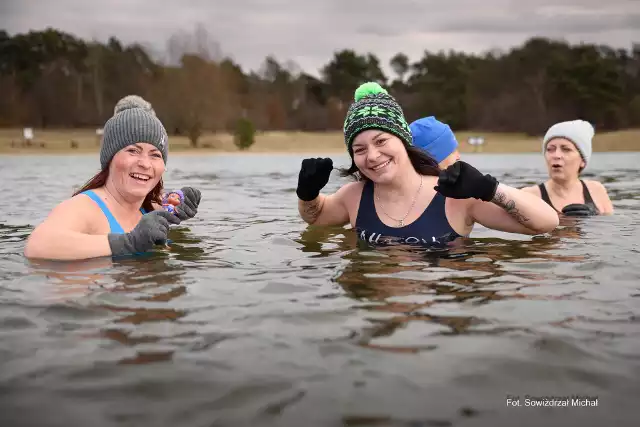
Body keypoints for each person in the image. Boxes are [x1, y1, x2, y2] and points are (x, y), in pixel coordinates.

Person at [294, 82, 559, 246]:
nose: (372, 156)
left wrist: (490, 189)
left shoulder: (455, 197)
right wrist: (308, 194)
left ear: (403, 140)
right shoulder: (354, 196)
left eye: (381, 141)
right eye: (359, 149)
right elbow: (316, 218)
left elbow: (546, 223)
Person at [24, 96, 202, 261]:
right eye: (133, 151)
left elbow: (161, 207)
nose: (145, 164)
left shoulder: (148, 207)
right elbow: (37, 245)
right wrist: (128, 243)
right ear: (110, 158)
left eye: (155, 155)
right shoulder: (85, 207)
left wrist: (175, 205)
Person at [520, 120, 614, 216]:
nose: (556, 155)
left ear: (582, 160)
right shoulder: (529, 196)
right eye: (550, 149)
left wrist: (594, 217)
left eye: (566, 149)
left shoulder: (596, 190)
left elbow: (611, 227)